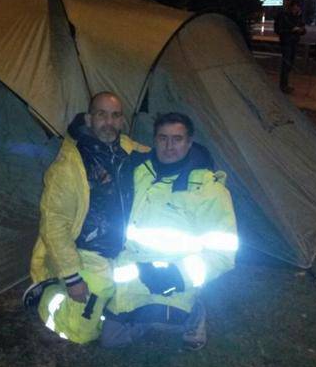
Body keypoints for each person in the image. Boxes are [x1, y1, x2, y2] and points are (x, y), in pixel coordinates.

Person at [101, 112, 238, 348]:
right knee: (111, 340)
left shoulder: (209, 190)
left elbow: (223, 254)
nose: (169, 146)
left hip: (176, 276)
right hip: (134, 272)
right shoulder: (138, 172)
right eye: (163, 138)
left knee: (165, 323)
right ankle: (147, 317)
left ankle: (193, 312)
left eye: (177, 139)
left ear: (189, 142)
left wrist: (178, 277)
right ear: (154, 140)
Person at [24, 92, 148, 343]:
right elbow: (54, 222)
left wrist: (197, 159)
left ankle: (106, 310)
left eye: (115, 116)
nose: (109, 122)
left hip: (122, 249)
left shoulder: (128, 150)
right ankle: (48, 293)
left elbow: (166, 156)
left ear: (122, 121)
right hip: (85, 251)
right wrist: (72, 277)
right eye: (101, 115)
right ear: (89, 119)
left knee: (137, 295)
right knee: (80, 335)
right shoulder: (69, 165)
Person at [274, 0, 306, 94]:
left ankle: (285, 84)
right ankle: (283, 85)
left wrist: (301, 30)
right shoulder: (283, 16)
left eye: (297, 8)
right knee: (286, 63)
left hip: (294, 42)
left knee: (290, 63)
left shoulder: (298, 17)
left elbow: (303, 29)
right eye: (294, 8)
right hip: (286, 42)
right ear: (290, 7)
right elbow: (278, 30)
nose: (296, 10)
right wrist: (291, 30)